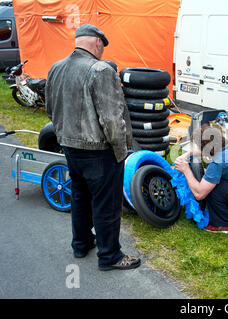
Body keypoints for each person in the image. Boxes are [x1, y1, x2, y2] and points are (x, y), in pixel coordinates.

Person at [45, 24, 140, 271]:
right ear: (97, 43)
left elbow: (50, 109)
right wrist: (121, 152)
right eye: (102, 46)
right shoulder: (101, 70)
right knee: (106, 205)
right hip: (99, 151)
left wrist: (64, 135)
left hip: (70, 147)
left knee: (79, 198)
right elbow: (111, 119)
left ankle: (81, 244)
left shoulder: (56, 67)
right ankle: (110, 256)